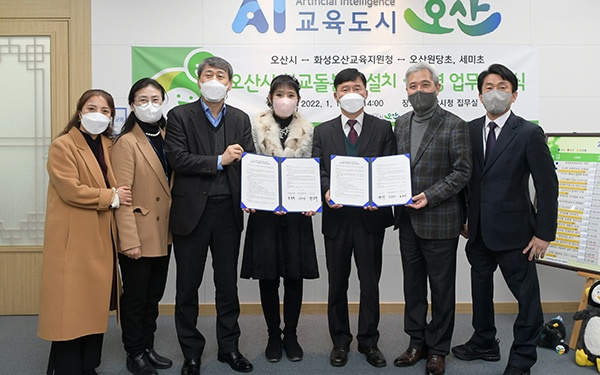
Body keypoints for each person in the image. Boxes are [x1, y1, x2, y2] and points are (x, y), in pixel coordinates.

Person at [451, 63, 559, 375]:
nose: (495, 92)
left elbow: (547, 185)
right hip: (478, 230)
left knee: (527, 301)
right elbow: (463, 178)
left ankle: (521, 361)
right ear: (479, 95)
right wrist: (463, 218)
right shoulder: (468, 130)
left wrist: (544, 233)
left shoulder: (528, 132)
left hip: (518, 234)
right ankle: (484, 341)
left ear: (513, 95)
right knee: (480, 291)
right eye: (488, 87)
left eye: (502, 87)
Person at [164, 56, 255, 375]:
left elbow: (249, 163)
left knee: (227, 286)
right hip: (191, 213)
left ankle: (229, 348)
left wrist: (254, 194)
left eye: (221, 76)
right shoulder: (179, 115)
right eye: (208, 75)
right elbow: (177, 159)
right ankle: (191, 351)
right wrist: (219, 160)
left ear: (230, 84)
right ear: (199, 81)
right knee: (187, 287)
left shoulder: (241, 119)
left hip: (228, 212)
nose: (214, 80)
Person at [38, 89, 132, 375]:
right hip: (73, 238)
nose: (98, 115)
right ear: (79, 112)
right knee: (70, 307)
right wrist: (111, 197)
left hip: (101, 236)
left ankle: (88, 365)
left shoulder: (108, 145)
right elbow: (70, 190)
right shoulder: (63, 145)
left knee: (93, 306)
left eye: (105, 111)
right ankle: (66, 368)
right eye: (92, 108)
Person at [312, 68, 396, 368]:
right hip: (336, 220)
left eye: (356, 87)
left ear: (366, 92)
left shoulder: (384, 128)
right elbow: (318, 170)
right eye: (345, 88)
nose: (351, 93)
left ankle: (369, 342)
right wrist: (325, 191)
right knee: (337, 283)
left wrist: (381, 196)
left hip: (370, 220)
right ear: (335, 94)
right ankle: (340, 342)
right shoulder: (321, 131)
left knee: (370, 283)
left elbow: (389, 169)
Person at [393, 62, 472, 375]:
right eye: (413, 86)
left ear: (437, 87)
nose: (419, 91)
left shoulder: (455, 124)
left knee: (441, 290)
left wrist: (431, 195)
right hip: (407, 222)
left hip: (440, 219)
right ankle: (416, 343)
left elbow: (462, 171)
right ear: (407, 91)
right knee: (412, 287)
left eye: (425, 85)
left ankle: (438, 349)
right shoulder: (399, 124)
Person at [241, 74, 319, 363]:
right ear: (270, 98)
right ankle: (273, 335)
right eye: (279, 94)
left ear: (298, 99)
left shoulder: (309, 131)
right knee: (268, 277)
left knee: (295, 277)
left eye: (290, 95)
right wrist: (249, 198)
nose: (285, 99)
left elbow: (313, 170)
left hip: (298, 215)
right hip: (264, 215)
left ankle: (292, 335)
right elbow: (247, 168)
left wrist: (311, 200)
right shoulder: (253, 128)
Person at [112, 78, 173, 375]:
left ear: (164, 102)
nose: (150, 105)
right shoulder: (126, 142)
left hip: (164, 234)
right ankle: (134, 351)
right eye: (142, 100)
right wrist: (129, 241)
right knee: (135, 298)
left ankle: (148, 346)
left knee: (154, 296)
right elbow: (122, 197)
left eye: (155, 99)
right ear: (133, 105)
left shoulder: (168, 135)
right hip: (139, 233)